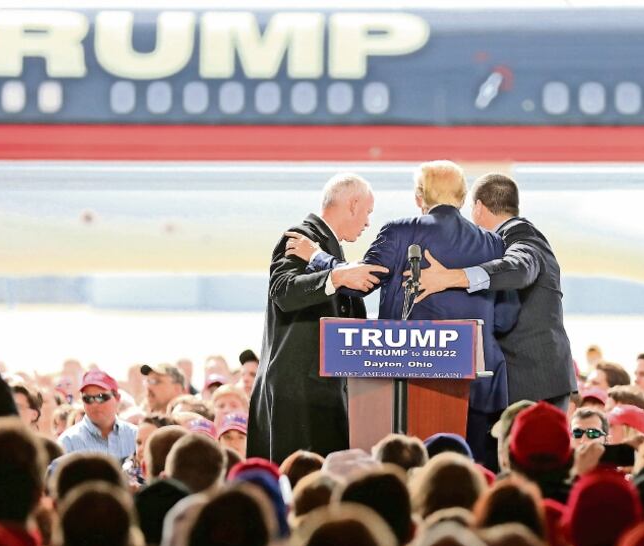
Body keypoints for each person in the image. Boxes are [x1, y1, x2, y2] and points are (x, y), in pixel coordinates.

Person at [331, 161, 516, 462]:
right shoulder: (494, 243)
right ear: (463, 197)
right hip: (480, 386)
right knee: (473, 472)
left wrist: (319, 262)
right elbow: (507, 316)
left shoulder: (399, 232)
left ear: (420, 197)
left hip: (407, 388)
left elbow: (358, 284)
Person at [247, 173, 388, 462]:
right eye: (368, 212)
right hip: (299, 393)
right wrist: (336, 275)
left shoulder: (325, 246)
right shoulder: (301, 236)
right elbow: (283, 291)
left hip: (316, 391)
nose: (368, 223)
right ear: (353, 204)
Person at [410, 172, 577, 411]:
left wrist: (452, 277)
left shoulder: (522, 235)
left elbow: (519, 269)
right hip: (529, 380)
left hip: (533, 382)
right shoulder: (511, 236)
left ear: (478, 207)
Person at [58, 370, 138, 462]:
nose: (95, 404)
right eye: (87, 398)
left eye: (101, 397)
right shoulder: (67, 442)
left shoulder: (135, 436)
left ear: (117, 398)